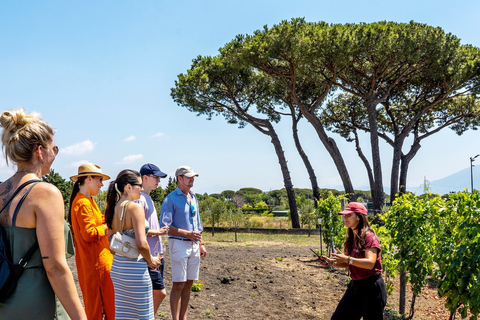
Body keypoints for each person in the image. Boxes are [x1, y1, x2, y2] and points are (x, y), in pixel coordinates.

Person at [0, 108, 87, 320]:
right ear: (40, 151)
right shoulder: (45, 193)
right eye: (54, 148)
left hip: (4, 298)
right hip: (37, 303)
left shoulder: (1, 190)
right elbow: (55, 267)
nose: (55, 153)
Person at [105, 169, 161, 320]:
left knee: (123, 315)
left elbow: (110, 239)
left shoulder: (113, 207)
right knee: (144, 315)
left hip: (117, 267)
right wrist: (151, 261)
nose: (142, 189)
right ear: (128, 187)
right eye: (139, 186)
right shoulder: (135, 207)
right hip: (135, 269)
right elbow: (142, 244)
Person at [319, 202, 387, 320]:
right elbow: (347, 263)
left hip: (371, 288)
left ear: (359, 217)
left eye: (349, 215)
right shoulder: (351, 238)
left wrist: (348, 259)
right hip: (356, 286)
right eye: (344, 215)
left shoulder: (369, 236)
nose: (345, 218)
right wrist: (333, 262)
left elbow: (370, 263)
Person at [68, 163, 115, 320]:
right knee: (99, 310)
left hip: (97, 264)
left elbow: (99, 221)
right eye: (99, 180)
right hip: (96, 267)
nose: (102, 184)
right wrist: (107, 227)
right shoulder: (82, 203)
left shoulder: (88, 201)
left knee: (102, 308)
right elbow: (89, 233)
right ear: (89, 179)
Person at [160, 165, 207, 320]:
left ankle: (183, 317)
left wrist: (201, 244)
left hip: (194, 245)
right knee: (178, 284)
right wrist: (187, 234)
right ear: (179, 178)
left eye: (193, 177)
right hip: (179, 244)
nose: (192, 179)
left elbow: (198, 223)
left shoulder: (194, 197)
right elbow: (165, 226)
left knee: (189, 283)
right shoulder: (170, 199)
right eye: (188, 176)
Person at [135, 163, 170, 315]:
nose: (158, 181)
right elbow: (138, 229)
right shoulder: (140, 200)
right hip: (149, 255)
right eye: (155, 177)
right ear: (145, 177)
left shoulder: (147, 197)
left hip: (156, 254)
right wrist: (159, 233)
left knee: (152, 293)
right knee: (160, 293)